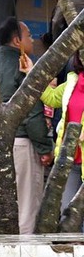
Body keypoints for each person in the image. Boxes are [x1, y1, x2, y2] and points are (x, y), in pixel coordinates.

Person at [0, 18, 53, 234]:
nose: (32, 40)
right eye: (28, 36)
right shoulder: (23, 67)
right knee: (27, 204)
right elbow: (32, 113)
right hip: (21, 143)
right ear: (17, 41)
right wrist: (44, 147)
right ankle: (24, 251)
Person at [40, 51, 84, 228]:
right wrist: (31, 72)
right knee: (68, 216)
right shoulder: (72, 81)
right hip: (69, 157)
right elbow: (51, 98)